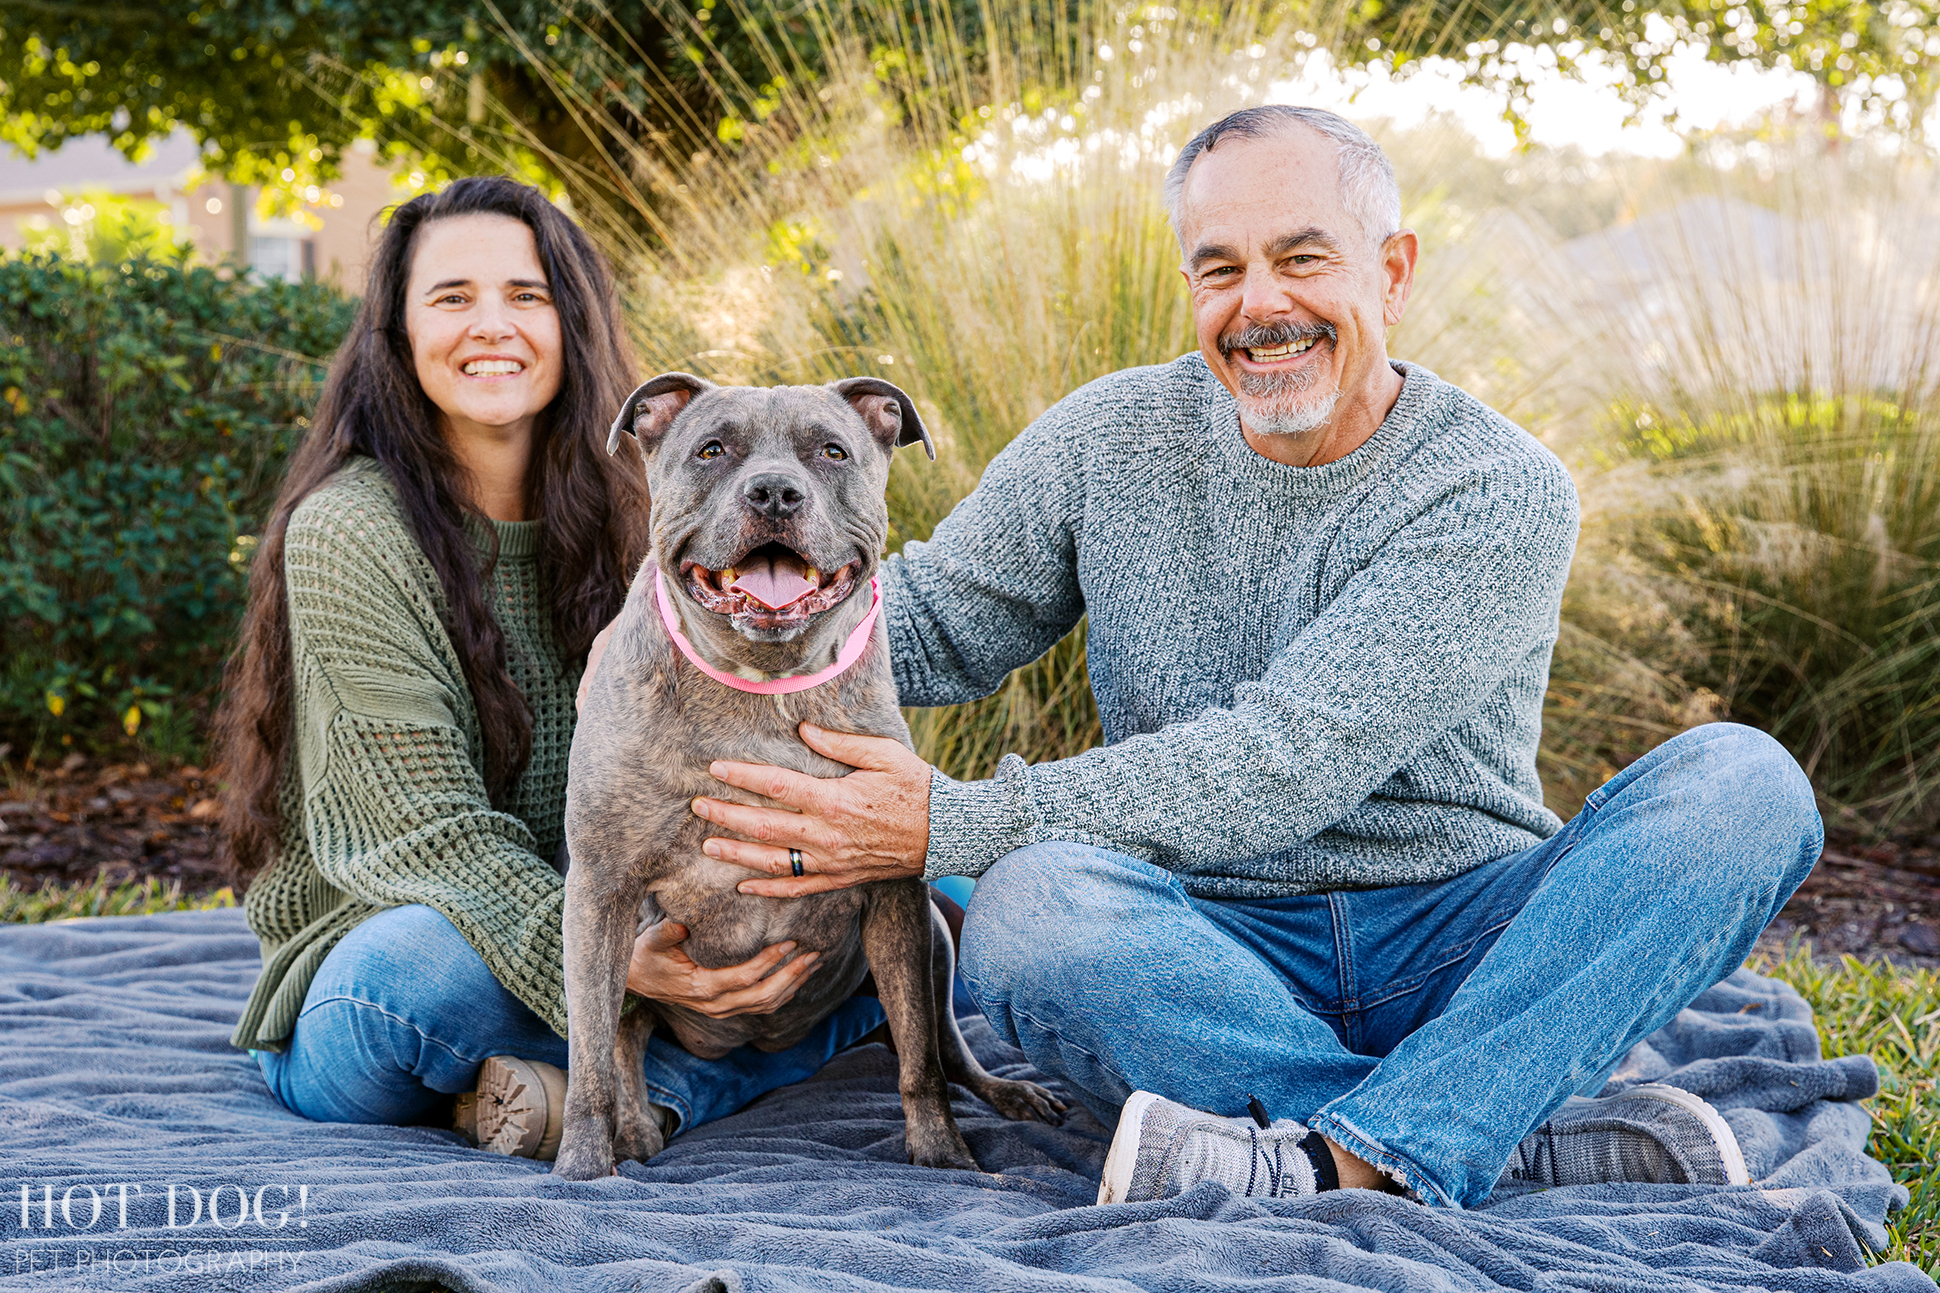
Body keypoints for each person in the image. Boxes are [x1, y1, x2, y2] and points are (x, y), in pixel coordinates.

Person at [665, 107, 1822, 1208]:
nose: (1259, 304)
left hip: (1460, 941)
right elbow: (914, 625)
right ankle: (1470, 1131)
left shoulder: (1495, 489)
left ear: (1393, 271)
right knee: (1029, 908)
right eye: (1219, 268)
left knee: (1741, 789)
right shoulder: (1107, 438)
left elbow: (1286, 761)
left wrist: (943, 825)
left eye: (1301, 259)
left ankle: (1334, 1160)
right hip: (1199, 953)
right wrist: (716, 595)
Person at [217, 176, 886, 1156]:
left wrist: (779, 890)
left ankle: (567, 1092)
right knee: (415, 977)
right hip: (399, 957)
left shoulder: (658, 508)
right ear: (396, 332)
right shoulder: (352, 530)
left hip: (631, 927)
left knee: (926, 903)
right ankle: (654, 1087)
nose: (493, 325)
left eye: (526, 296)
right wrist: (633, 968)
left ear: (571, 322)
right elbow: (429, 844)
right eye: (452, 298)